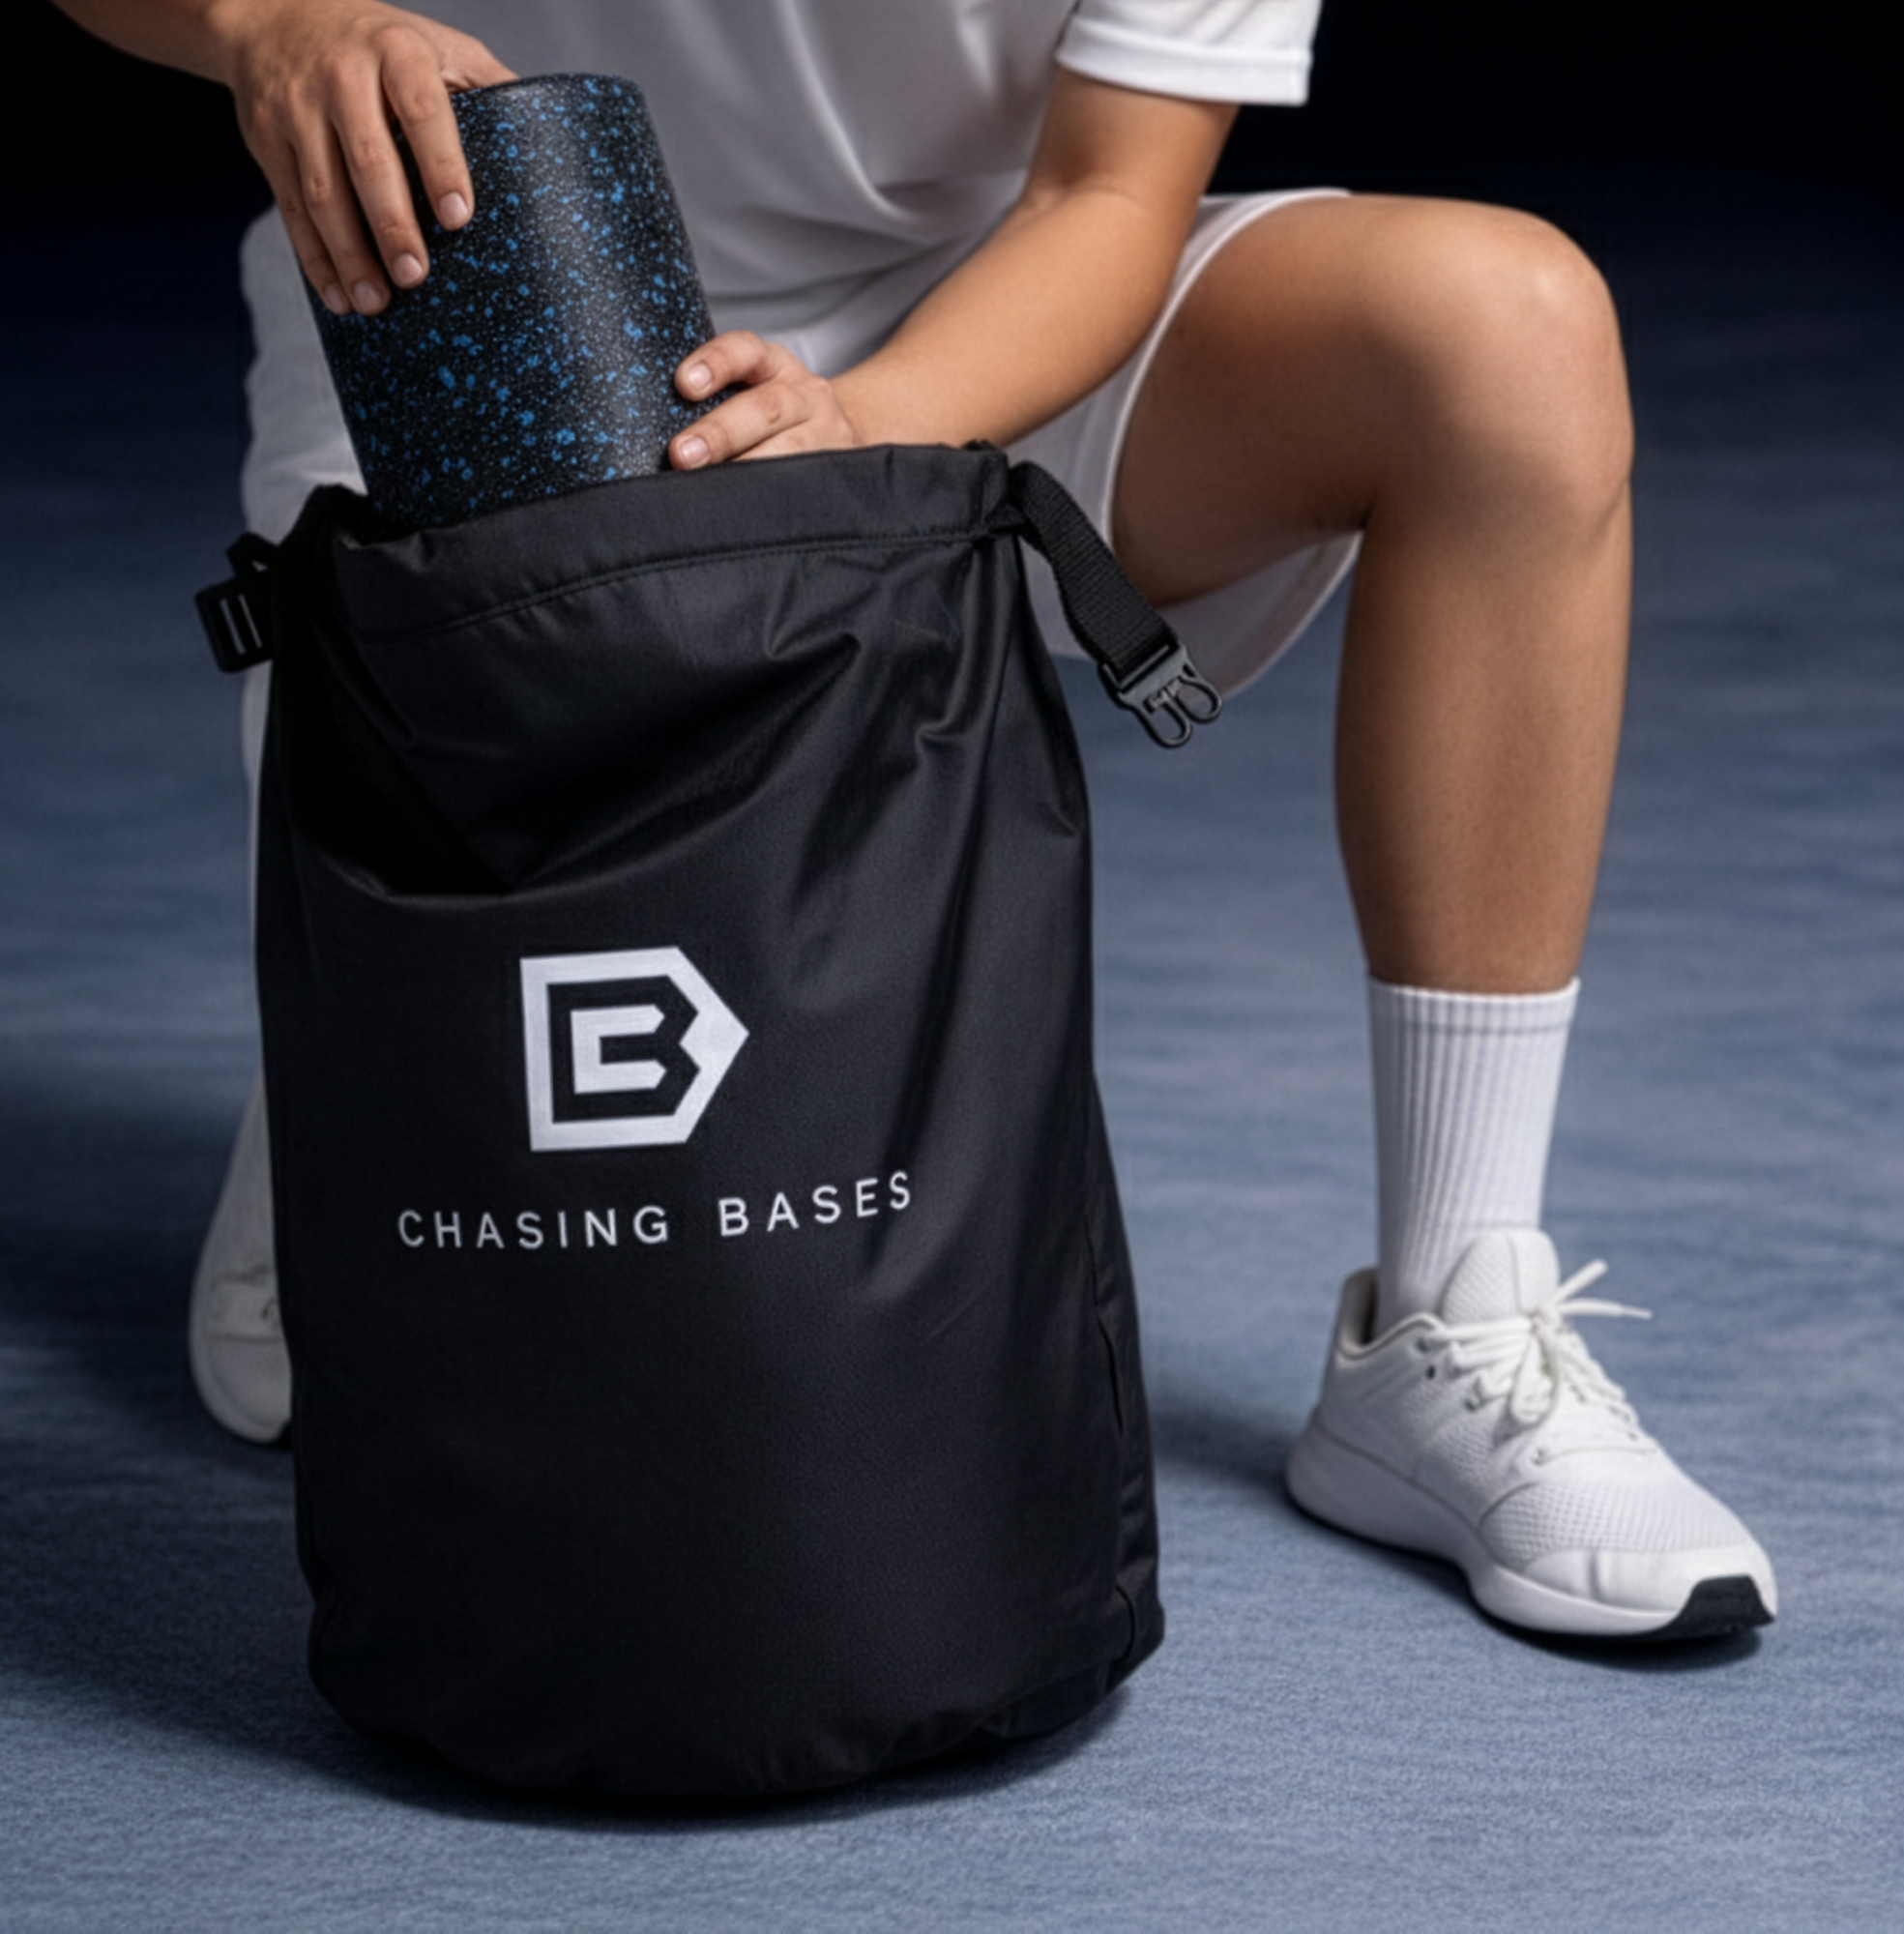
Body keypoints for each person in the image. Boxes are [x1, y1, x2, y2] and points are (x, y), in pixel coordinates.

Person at [57, 0, 1774, 1641]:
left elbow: (1106, 194)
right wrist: (264, 27)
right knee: (505, 1109)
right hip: (491, 275)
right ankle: (372, 1098)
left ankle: (1451, 1313)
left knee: (1501, 333)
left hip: (963, 310)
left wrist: (867, 431)